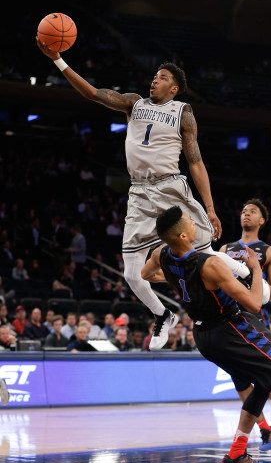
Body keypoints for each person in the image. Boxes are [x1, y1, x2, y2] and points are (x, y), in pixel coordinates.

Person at [36, 39, 254, 353]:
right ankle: (163, 314)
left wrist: (210, 207)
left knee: (200, 255)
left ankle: (244, 273)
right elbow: (92, 93)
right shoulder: (133, 103)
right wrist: (57, 59)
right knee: (131, 273)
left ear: (175, 88)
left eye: (163, 77)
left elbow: (195, 162)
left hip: (170, 186)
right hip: (138, 192)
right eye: (155, 75)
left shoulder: (183, 113)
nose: (155, 79)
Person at [141, 206, 271, 463]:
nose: (196, 224)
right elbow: (255, 303)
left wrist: (179, 280)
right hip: (233, 329)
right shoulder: (210, 264)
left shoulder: (160, 254)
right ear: (184, 236)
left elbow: (145, 275)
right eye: (190, 222)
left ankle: (235, 456)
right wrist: (256, 269)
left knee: (265, 384)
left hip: (204, 338)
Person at [219, 199, 271, 450]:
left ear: (262, 221)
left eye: (253, 212)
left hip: (253, 316)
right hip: (226, 317)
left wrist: (254, 281)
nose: (246, 213)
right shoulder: (225, 249)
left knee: (265, 375)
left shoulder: (269, 252)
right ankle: (265, 429)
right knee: (239, 381)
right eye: (243, 210)